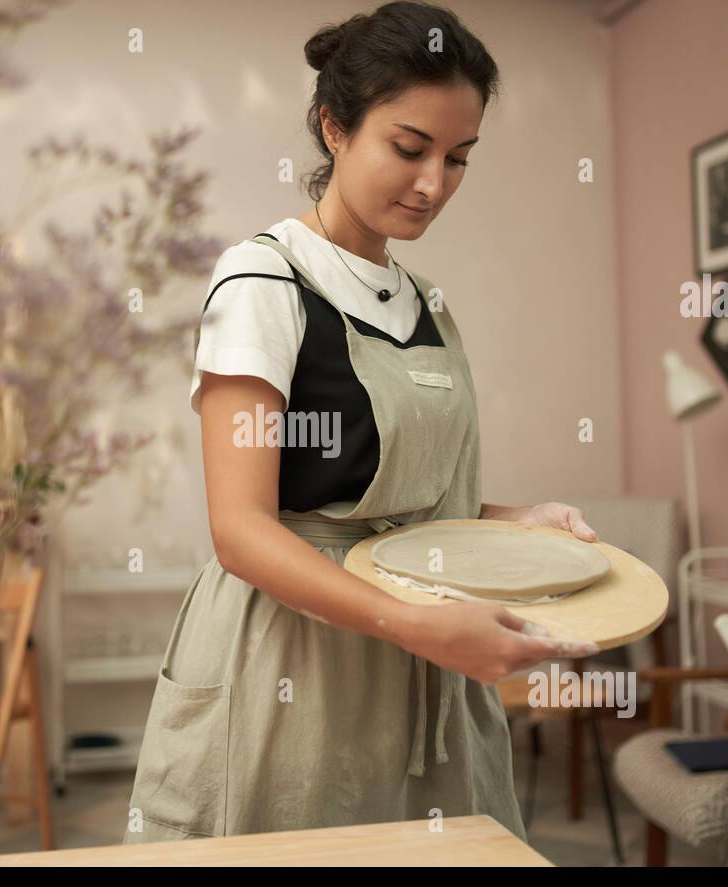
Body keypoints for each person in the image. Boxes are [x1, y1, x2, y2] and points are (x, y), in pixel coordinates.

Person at [123, 0, 600, 844]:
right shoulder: (262, 283)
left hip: (423, 665)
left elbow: (409, 512)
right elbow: (240, 529)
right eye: (409, 149)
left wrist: (519, 521)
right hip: (294, 663)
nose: (433, 184)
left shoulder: (424, 304)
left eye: (459, 158)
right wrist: (419, 625)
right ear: (333, 127)